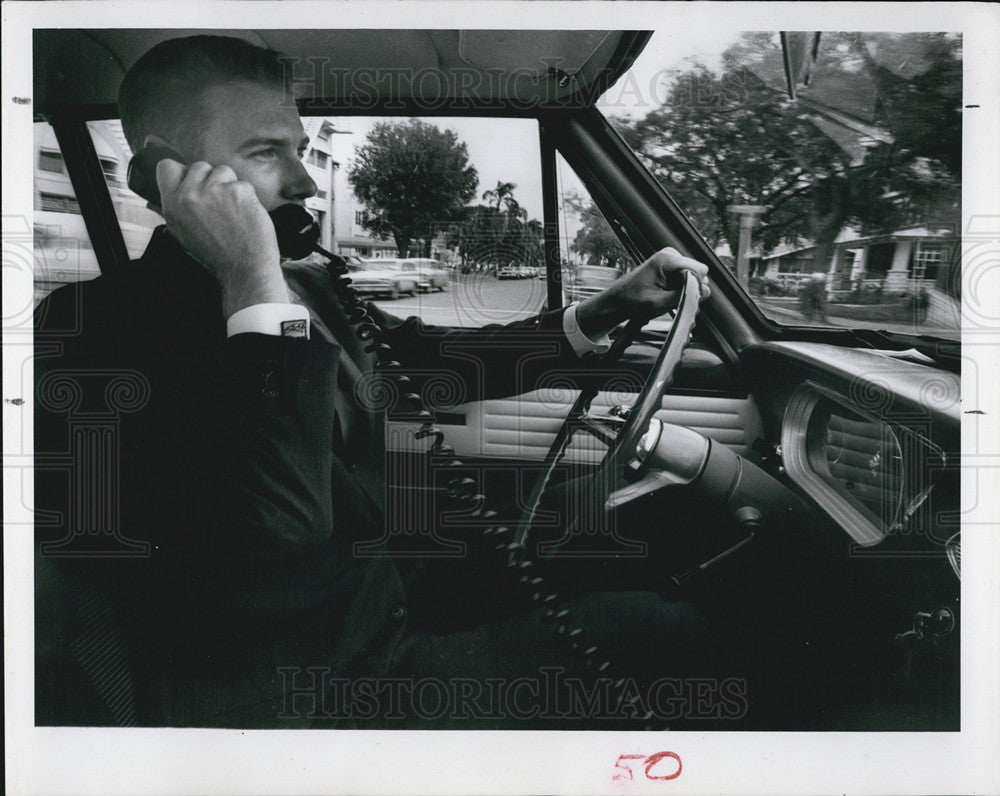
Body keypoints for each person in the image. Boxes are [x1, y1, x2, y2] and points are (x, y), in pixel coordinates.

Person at [34, 35, 716, 729]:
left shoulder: (304, 290)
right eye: (266, 153)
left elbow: (441, 364)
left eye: (298, 149)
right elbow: (282, 529)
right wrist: (251, 282)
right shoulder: (92, 329)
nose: (303, 182)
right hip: (301, 689)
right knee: (661, 635)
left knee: (641, 557)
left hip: (385, 598)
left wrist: (608, 308)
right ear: (160, 174)